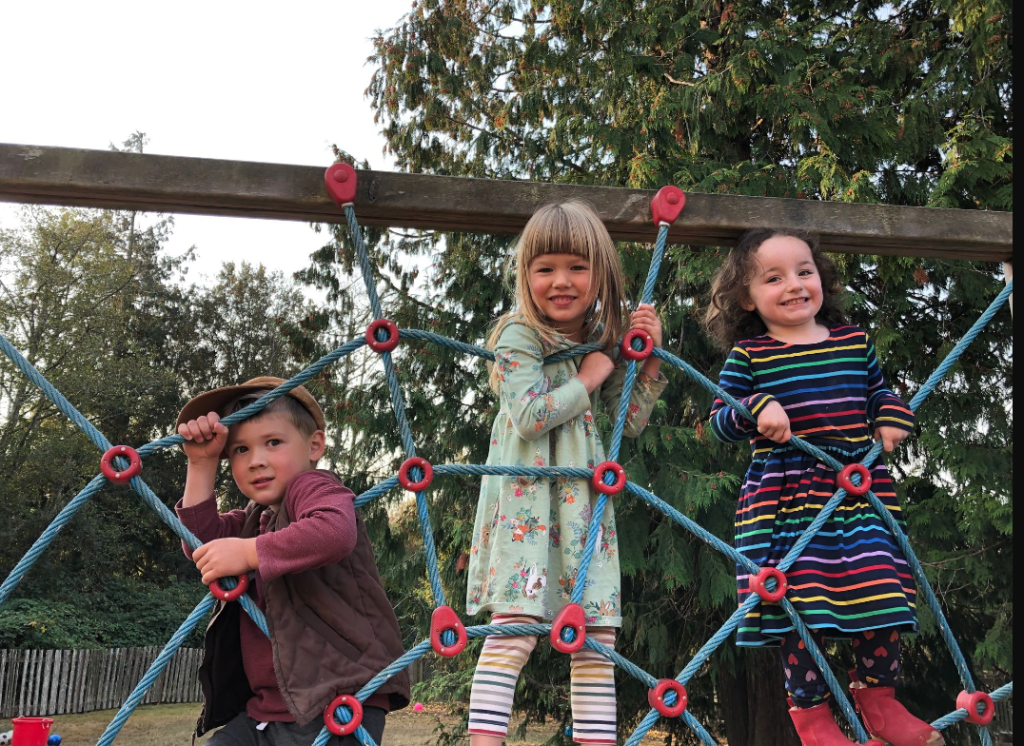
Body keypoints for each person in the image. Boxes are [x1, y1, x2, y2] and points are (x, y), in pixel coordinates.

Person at [704, 230, 943, 746]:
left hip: (857, 491)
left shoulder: (853, 341)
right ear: (747, 298)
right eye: (774, 278)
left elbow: (879, 389)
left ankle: (879, 700)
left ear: (822, 278)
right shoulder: (751, 355)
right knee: (798, 601)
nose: (794, 284)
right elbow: (718, 419)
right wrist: (756, 408)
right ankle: (812, 717)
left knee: (879, 586)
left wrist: (890, 416)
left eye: (804, 271)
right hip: (786, 500)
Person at [465, 202, 668, 746]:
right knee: (515, 633)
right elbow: (531, 416)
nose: (561, 281)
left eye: (577, 268)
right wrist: (593, 372)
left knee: (596, 637)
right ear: (525, 274)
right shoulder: (516, 334)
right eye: (545, 268)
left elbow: (631, 422)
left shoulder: (599, 339)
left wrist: (645, 362)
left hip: (582, 507)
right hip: (526, 509)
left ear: (600, 274)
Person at [174, 377, 409, 745]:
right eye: (239, 450)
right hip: (265, 709)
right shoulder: (253, 518)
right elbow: (202, 545)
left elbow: (334, 531)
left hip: (338, 700)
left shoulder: (313, 487)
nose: (256, 461)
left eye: (273, 442)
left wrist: (249, 552)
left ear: (314, 445)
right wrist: (201, 465)